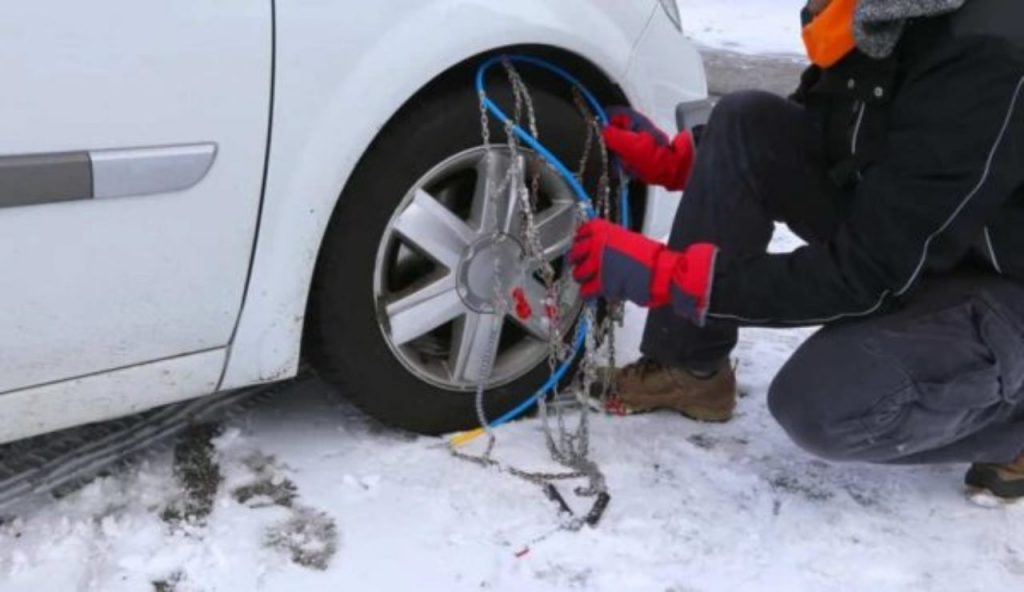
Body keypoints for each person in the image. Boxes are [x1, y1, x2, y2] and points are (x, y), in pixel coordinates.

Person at [569, 0, 1024, 500]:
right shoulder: (878, 12)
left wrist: (675, 279)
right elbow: (828, 125)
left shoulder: (989, 50)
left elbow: (869, 273)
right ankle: (688, 368)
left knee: (826, 403)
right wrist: (687, 160)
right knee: (745, 122)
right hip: (933, 237)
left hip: (1002, 282)